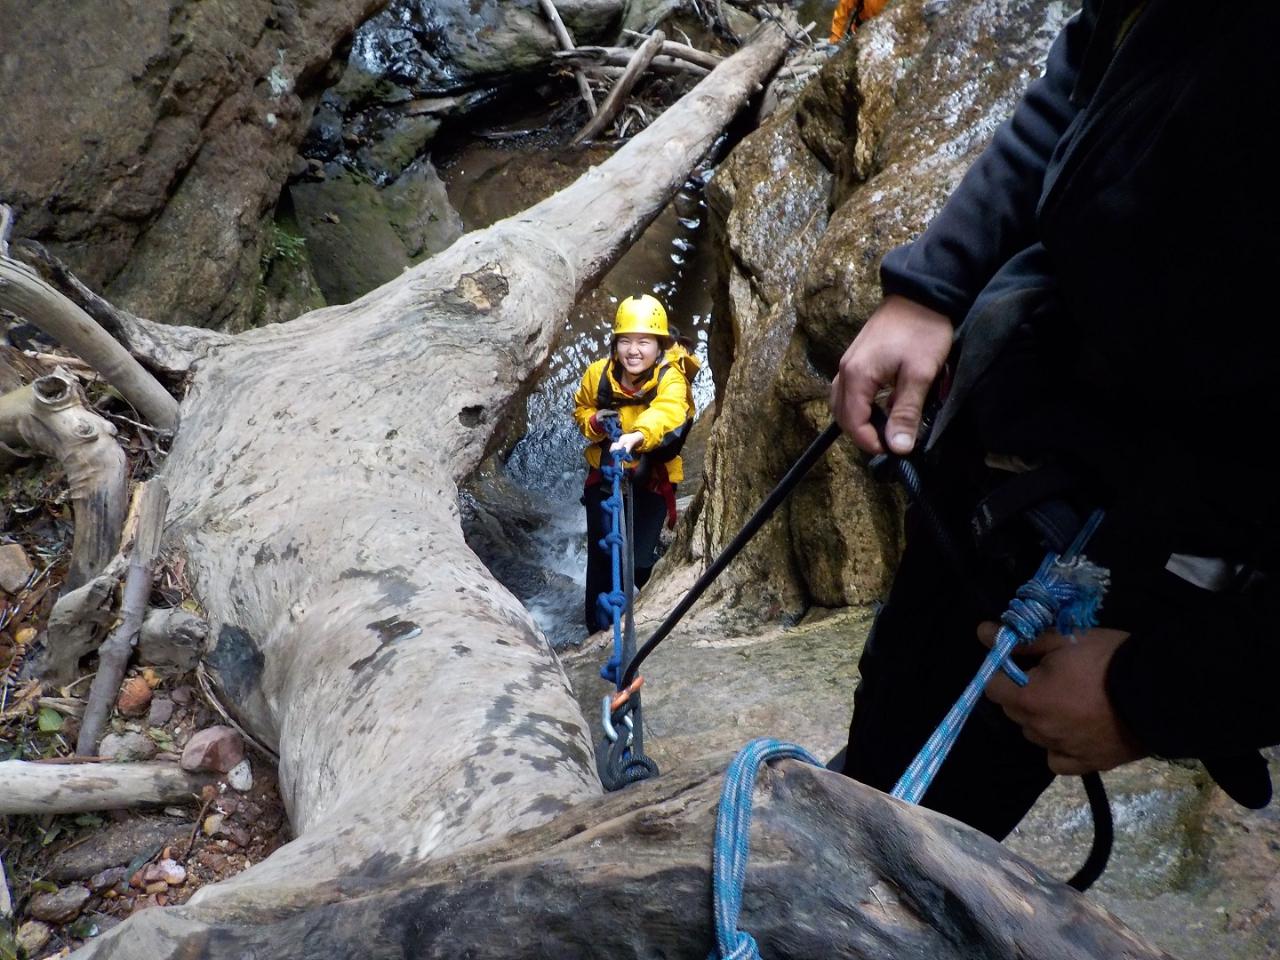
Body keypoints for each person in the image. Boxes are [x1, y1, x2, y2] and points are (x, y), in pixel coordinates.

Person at [830, 0, 1280, 839]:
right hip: (1018, 419)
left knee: (944, 819)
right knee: (891, 734)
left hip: (1171, 527)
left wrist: (1152, 695)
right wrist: (931, 285)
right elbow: (1087, 64)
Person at [574, 294, 701, 634]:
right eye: (625, 341)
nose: (634, 350)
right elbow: (581, 410)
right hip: (607, 475)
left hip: (652, 478)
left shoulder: (671, 378)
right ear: (614, 344)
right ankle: (598, 632)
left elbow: (669, 411)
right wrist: (596, 422)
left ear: (659, 345)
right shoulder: (598, 376)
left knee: (639, 562)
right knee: (602, 559)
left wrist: (637, 436)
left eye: (644, 341)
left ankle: (660, 612)